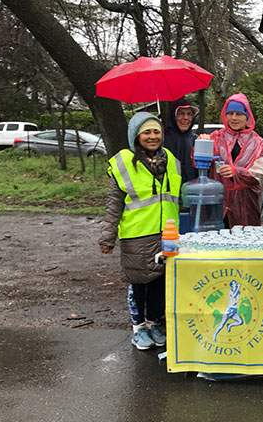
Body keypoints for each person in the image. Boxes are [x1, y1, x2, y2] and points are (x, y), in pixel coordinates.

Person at [99, 112, 181, 350]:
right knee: (138, 284)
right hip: (137, 236)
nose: (152, 136)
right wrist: (108, 237)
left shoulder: (171, 162)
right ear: (136, 136)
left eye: (156, 131)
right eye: (146, 132)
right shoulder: (124, 164)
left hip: (167, 235)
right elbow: (113, 204)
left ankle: (154, 323)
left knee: (159, 283)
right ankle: (138, 328)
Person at [197, 93, 263, 227]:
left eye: (239, 114)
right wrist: (201, 144)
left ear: (247, 116)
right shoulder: (216, 138)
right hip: (217, 206)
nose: (234, 118)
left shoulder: (258, 143)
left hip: (246, 207)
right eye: (230, 113)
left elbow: (260, 174)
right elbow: (198, 162)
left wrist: (237, 172)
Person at [162, 98, 199, 184]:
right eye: (181, 114)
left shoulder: (195, 140)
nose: (186, 118)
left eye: (189, 114)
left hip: (190, 192)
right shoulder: (162, 139)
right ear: (173, 116)